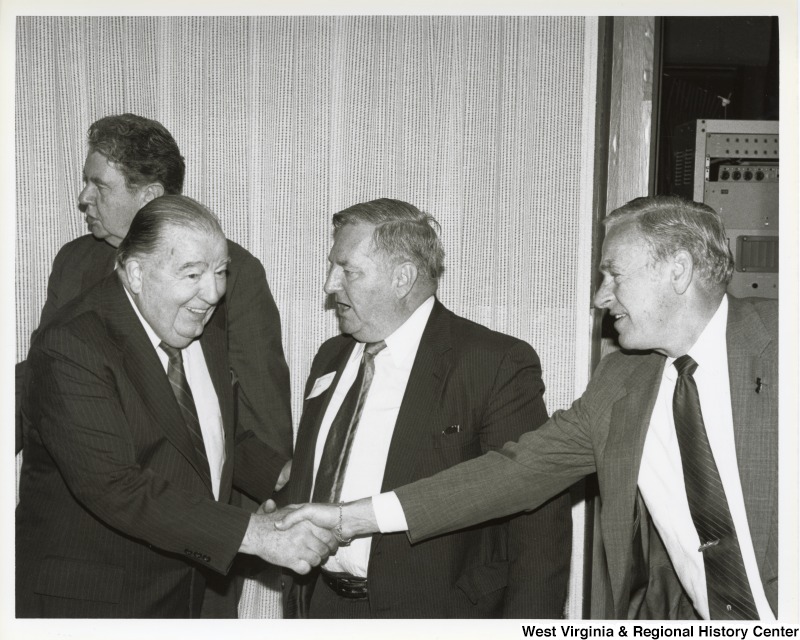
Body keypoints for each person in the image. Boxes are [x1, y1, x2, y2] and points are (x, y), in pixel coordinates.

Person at [277, 195, 779, 620]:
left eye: (614, 275)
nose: (602, 298)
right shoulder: (623, 381)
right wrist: (350, 519)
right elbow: (513, 474)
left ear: (678, 271)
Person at [16, 196, 337, 618]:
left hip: (182, 592)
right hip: (94, 600)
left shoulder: (201, 323)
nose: (213, 292)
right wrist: (255, 535)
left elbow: (207, 431)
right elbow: (115, 486)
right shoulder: (72, 345)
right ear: (135, 273)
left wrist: (283, 476)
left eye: (220, 272)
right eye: (192, 274)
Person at [280, 198, 571, 618]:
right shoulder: (331, 357)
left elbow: (539, 521)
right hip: (319, 603)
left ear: (402, 277)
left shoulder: (491, 363)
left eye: (348, 270)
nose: (330, 285)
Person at [16, 113, 292, 459]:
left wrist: (263, 507)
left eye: (98, 185)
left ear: (149, 197)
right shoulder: (75, 262)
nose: (83, 197)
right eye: (86, 182)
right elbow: (40, 375)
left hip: (189, 498)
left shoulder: (234, 273)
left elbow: (259, 407)